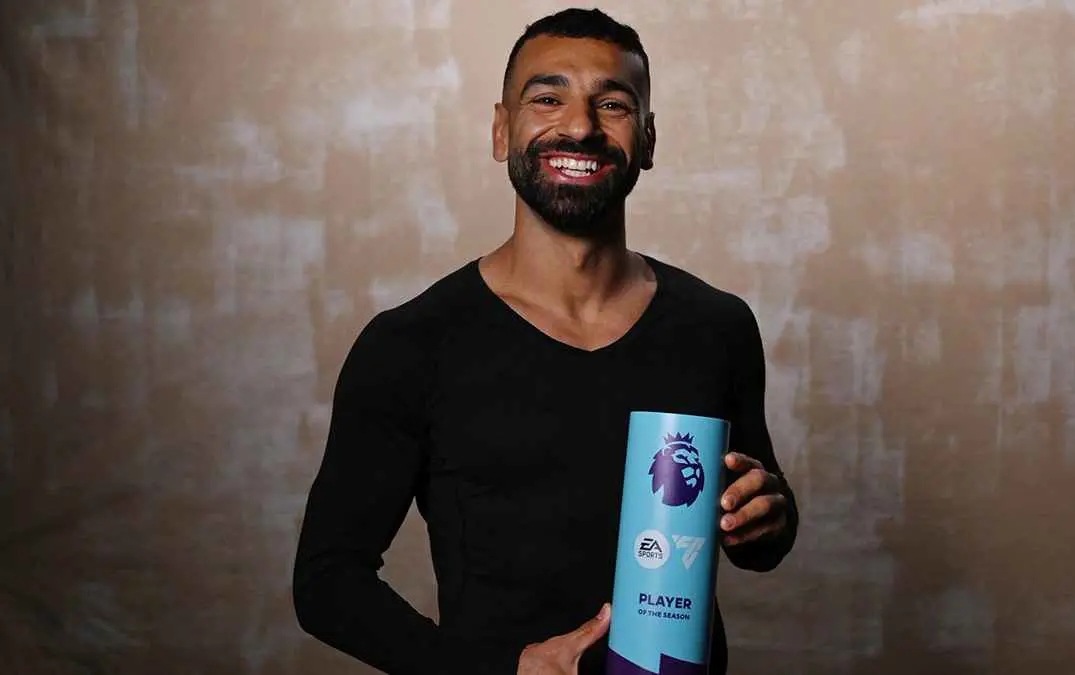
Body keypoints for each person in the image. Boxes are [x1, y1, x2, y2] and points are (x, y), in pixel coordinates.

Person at [291, 8, 800, 675]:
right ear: (502, 130)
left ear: (648, 140)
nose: (581, 126)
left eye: (612, 105)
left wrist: (768, 515)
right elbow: (327, 581)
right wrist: (499, 669)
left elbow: (757, 539)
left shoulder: (717, 326)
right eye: (548, 99)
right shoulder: (412, 344)